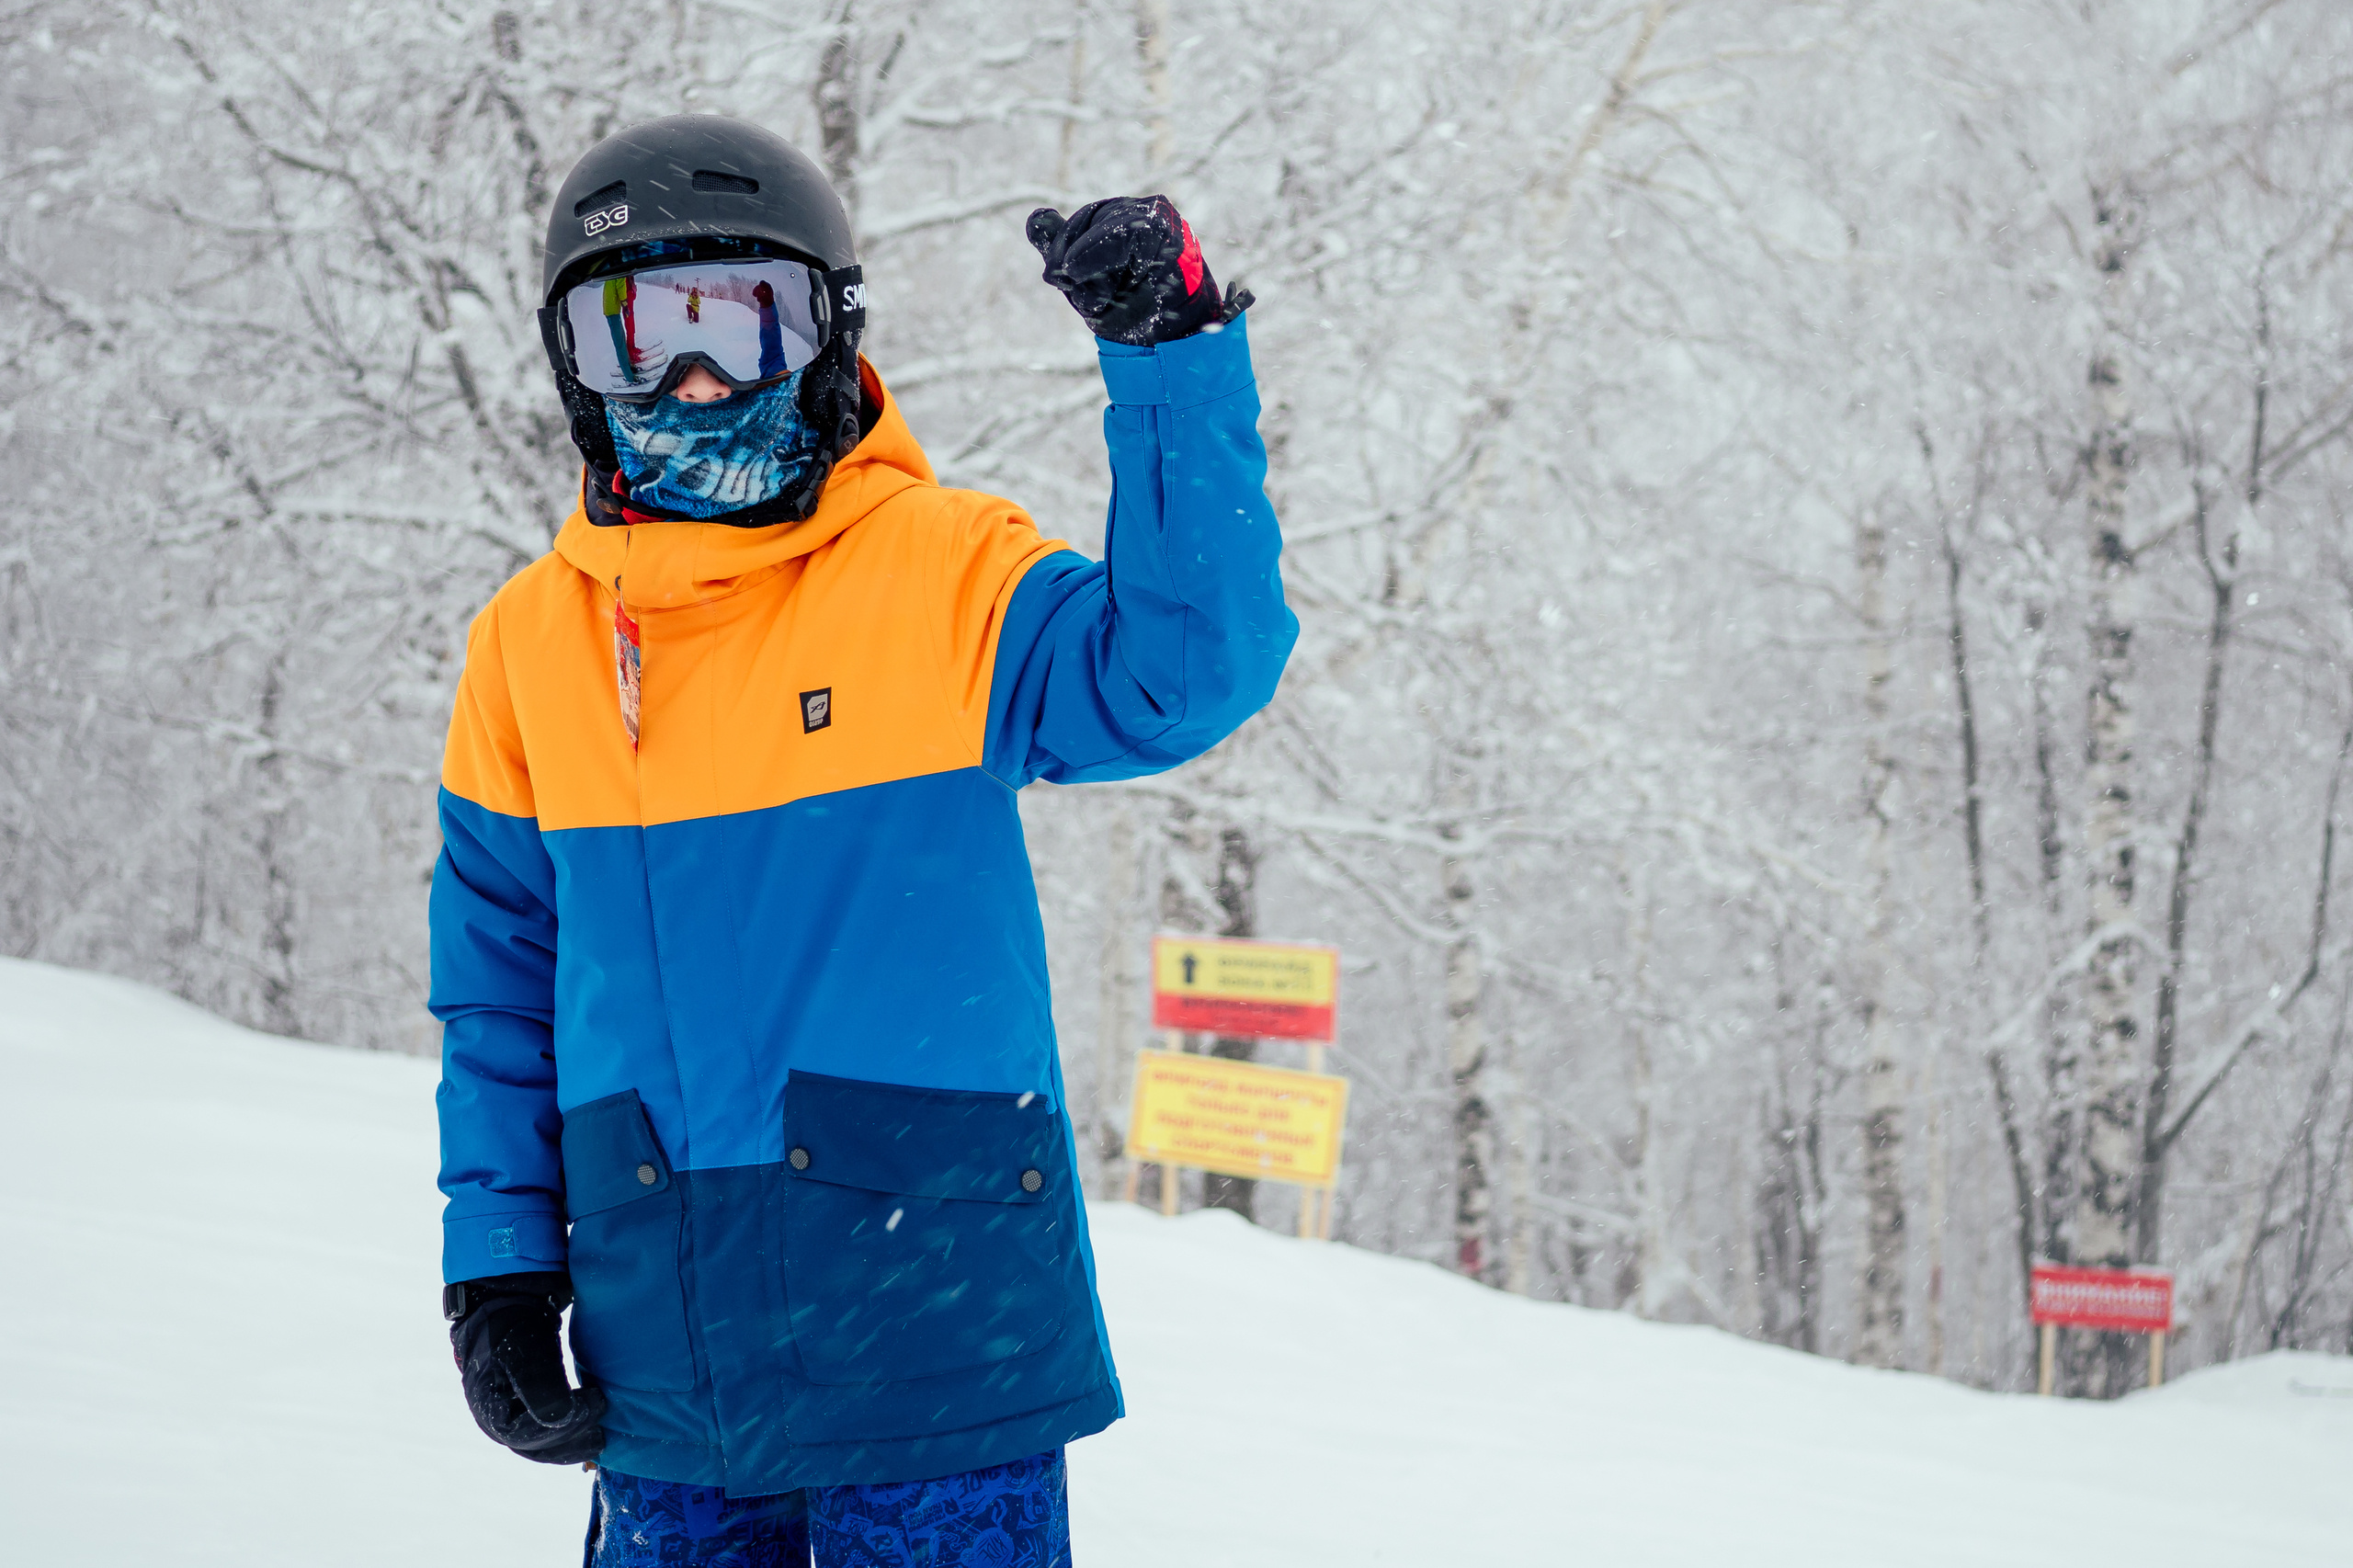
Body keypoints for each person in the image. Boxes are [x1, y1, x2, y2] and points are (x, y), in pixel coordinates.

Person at [431, 115, 1292, 1566]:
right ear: (570, 361)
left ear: (825, 336)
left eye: (739, 320)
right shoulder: (529, 648)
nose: (689, 376)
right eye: (632, 328)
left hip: (936, 1346)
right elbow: (498, 998)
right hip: (668, 1362)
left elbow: (1190, 665)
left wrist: (1171, 354)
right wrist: (501, 1266)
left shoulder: (943, 573)